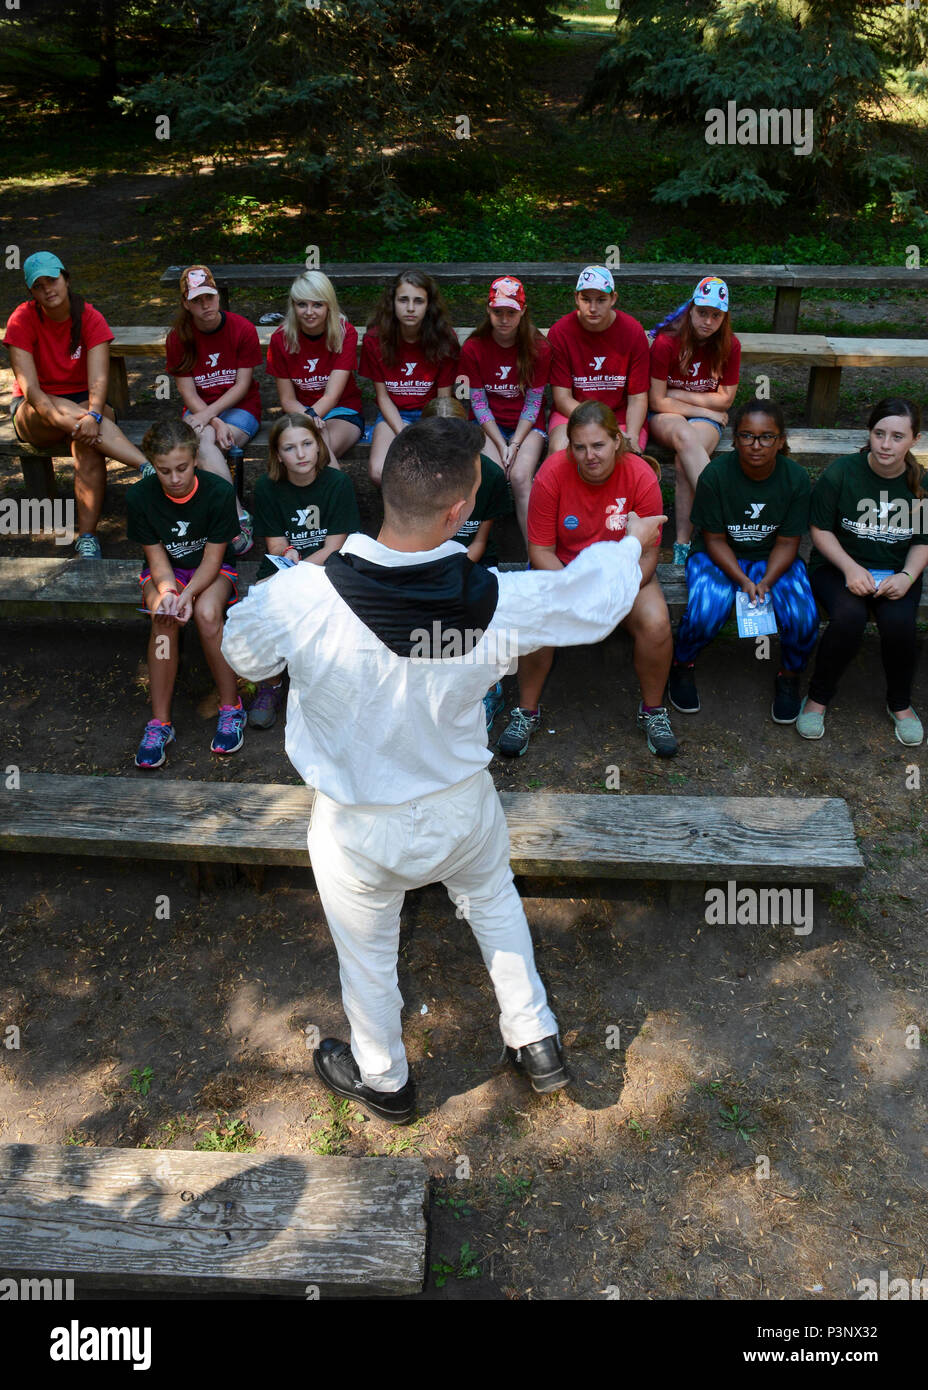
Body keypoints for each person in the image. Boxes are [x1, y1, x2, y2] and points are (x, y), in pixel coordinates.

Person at [221, 416, 665, 1123]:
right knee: (493, 903)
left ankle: (387, 1081)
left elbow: (243, 654)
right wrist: (630, 544)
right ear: (459, 513)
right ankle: (535, 1036)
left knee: (366, 955)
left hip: (356, 824)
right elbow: (592, 602)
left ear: (385, 487)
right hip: (461, 807)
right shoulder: (498, 601)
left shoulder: (302, 597)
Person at [497, 401, 678, 759]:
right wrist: (575, 590)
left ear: (617, 441)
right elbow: (540, 550)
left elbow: (649, 554)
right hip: (563, 573)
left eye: (597, 445)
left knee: (657, 623)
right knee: (534, 618)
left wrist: (612, 590)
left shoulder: (640, 475)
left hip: (626, 576)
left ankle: (653, 711)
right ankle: (526, 710)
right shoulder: (551, 474)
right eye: (579, 446)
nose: (589, 455)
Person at [667, 398, 817, 723]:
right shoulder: (715, 476)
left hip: (773, 558)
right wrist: (744, 580)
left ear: (780, 441)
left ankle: (789, 675)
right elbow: (714, 539)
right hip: (719, 555)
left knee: (804, 615)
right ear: (735, 439)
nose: (756, 445)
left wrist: (765, 581)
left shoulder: (795, 479)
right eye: (747, 436)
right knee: (708, 608)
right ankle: (682, 664)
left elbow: (789, 541)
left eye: (766, 437)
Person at [797, 398, 928, 745]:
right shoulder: (842, 473)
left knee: (899, 624)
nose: (886, 444)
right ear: (869, 434)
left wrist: (908, 577)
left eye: (898, 437)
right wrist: (851, 568)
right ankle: (817, 698)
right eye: (879, 433)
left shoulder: (921, 485)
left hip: (897, 571)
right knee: (849, 618)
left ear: (914, 439)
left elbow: (922, 542)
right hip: (838, 566)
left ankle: (900, 704)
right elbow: (820, 531)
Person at [4, 251, 150, 558]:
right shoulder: (22, 318)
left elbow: (99, 381)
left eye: (52, 280)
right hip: (35, 410)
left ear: (66, 279)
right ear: (32, 292)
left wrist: (93, 414)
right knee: (80, 428)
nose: (48, 289)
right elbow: (31, 391)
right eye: (39, 285)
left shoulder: (90, 317)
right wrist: (77, 423)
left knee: (87, 443)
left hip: (87, 402)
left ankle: (87, 538)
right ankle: (146, 467)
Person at [127, 419, 246, 769]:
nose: (175, 478)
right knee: (163, 619)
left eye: (182, 468)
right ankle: (159, 723)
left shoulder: (218, 493)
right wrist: (168, 593)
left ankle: (231, 707)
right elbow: (157, 559)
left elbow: (213, 559)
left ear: (195, 459)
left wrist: (189, 595)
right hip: (168, 572)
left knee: (209, 614)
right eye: (164, 471)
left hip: (211, 571)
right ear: (153, 465)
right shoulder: (140, 496)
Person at [247, 413, 361, 730]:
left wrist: (300, 571)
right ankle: (271, 684)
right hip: (290, 566)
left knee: (325, 603)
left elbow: (335, 546)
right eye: (290, 448)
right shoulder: (268, 487)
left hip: (328, 566)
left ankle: (327, 686)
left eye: (307, 444)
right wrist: (288, 554)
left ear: (318, 446)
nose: (301, 454)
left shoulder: (337, 483)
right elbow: (275, 546)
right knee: (263, 598)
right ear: (278, 455)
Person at [422, 398, 515, 732]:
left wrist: (454, 570)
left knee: (479, 602)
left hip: (472, 560)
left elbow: (478, 541)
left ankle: (490, 688)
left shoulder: (487, 474)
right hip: (427, 558)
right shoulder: (418, 473)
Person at [164, 264, 262, 556]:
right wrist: (212, 420)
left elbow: (241, 386)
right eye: (196, 300)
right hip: (199, 409)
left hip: (241, 408)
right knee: (204, 442)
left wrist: (212, 419)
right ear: (186, 303)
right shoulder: (178, 337)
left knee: (203, 444)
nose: (205, 305)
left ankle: (228, 517)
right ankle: (237, 515)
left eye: (209, 297)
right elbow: (187, 392)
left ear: (217, 296)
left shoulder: (242, 328)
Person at [648, 275, 741, 567]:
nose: (708, 321)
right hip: (666, 417)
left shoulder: (730, 345)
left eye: (716, 315)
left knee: (682, 461)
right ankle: (728, 514)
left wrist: (679, 393)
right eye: (702, 312)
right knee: (684, 438)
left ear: (724, 317)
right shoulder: (666, 342)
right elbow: (656, 401)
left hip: (697, 416)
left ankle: (682, 543)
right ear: (691, 308)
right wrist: (707, 409)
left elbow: (725, 400)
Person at [458, 275, 550, 540]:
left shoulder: (538, 348)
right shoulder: (474, 347)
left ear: (523, 313)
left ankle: (536, 551)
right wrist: (501, 444)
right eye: (498, 312)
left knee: (521, 476)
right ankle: (478, 547)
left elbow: (534, 403)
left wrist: (516, 444)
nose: (504, 319)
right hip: (487, 425)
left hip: (528, 426)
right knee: (492, 473)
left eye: (511, 312)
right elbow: (477, 403)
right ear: (489, 310)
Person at [359, 269, 459, 485]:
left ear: (429, 305)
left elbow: (443, 400)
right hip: (393, 414)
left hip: (431, 415)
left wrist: (427, 432)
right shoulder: (375, 340)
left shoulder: (444, 339)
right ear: (392, 302)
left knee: (435, 471)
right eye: (403, 300)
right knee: (378, 471)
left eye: (419, 301)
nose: (410, 308)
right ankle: (397, 512)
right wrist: (402, 430)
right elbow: (382, 397)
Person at [546, 265, 650, 457]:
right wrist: (601, 425)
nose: (593, 308)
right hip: (573, 413)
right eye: (586, 299)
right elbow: (562, 399)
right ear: (576, 298)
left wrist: (632, 435)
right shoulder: (560, 332)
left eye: (601, 300)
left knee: (627, 455)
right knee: (560, 450)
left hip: (621, 416)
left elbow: (637, 397)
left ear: (613, 299)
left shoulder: (633, 331)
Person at [266, 271, 365, 467]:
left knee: (318, 454)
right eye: (302, 304)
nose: (309, 311)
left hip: (341, 410)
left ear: (329, 305)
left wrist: (311, 417)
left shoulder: (345, 332)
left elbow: (332, 396)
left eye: (317, 304)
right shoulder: (280, 338)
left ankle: (331, 497)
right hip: (300, 411)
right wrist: (307, 417)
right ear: (293, 306)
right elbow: (287, 399)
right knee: (308, 454)